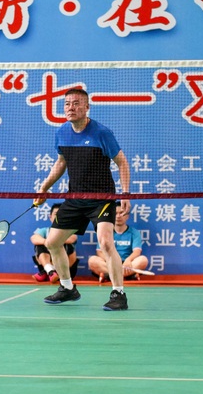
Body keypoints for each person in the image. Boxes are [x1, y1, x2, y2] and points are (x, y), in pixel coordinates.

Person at [33, 87, 131, 311]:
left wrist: (125, 194)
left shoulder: (101, 133)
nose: (71, 107)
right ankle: (67, 288)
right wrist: (44, 188)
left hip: (101, 198)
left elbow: (122, 162)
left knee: (106, 242)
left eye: (76, 103)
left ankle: (119, 293)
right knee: (52, 242)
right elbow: (61, 163)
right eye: (67, 104)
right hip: (75, 198)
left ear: (87, 107)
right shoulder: (62, 132)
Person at [88, 208, 148, 282]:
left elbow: (137, 251)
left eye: (121, 213)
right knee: (92, 260)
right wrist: (110, 261)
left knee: (143, 260)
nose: (118, 216)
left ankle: (109, 276)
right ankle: (126, 276)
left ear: (127, 216)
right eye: (115, 213)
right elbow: (99, 251)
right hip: (110, 263)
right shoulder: (105, 231)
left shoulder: (134, 232)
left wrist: (128, 260)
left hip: (127, 264)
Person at [31, 203, 78, 283]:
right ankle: (50, 271)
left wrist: (52, 242)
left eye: (61, 214)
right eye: (56, 214)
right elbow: (34, 238)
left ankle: (49, 271)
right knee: (40, 245)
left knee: (66, 245)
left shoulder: (69, 231)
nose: (58, 217)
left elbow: (72, 238)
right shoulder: (44, 230)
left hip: (67, 270)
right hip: (49, 268)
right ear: (50, 217)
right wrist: (46, 242)